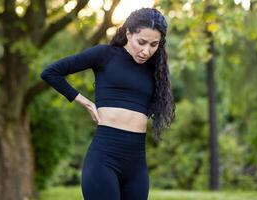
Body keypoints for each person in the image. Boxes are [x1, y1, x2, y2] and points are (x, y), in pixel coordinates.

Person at [41, 7, 175, 200]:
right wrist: (86, 103)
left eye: (154, 45)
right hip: (104, 159)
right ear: (128, 33)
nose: (146, 51)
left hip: (136, 163)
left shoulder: (156, 69)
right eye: (141, 42)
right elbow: (51, 73)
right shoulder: (105, 55)